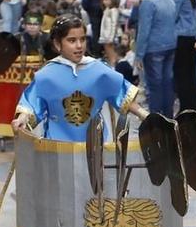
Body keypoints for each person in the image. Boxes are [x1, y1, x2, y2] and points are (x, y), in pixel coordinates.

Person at [12, 15, 144, 140]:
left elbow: (122, 96)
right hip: (56, 146)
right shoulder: (46, 75)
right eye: (72, 40)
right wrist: (22, 119)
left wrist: (145, 115)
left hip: (95, 145)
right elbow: (31, 105)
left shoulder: (99, 70)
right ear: (58, 44)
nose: (79, 46)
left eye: (82, 39)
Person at [134, 0, 178, 118]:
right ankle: (168, 117)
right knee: (167, 82)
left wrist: (138, 54)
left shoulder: (148, 2)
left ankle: (155, 119)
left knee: (154, 85)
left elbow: (144, 30)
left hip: (154, 48)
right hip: (170, 44)